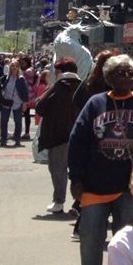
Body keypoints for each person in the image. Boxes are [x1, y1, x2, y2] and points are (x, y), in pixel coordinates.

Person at [68, 54, 133, 265]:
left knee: (127, 248)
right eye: (121, 73)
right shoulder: (96, 103)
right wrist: (76, 178)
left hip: (131, 189)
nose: (126, 77)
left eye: (130, 73)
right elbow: (78, 141)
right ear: (110, 77)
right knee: (90, 243)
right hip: (94, 188)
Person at [35, 57, 82, 214]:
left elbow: (40, 107)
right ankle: (79, 202)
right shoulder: (81, 87)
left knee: (58, 169)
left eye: (56, 71)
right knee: (78, 170)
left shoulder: (58, 87)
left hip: (58, 135)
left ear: (61, 71)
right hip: (78, 135)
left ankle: (59, 201)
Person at [0, 59, 29, 146]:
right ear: (10, 68)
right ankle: (3, 139)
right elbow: (0, 87)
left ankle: (17, 139)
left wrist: (24, 103)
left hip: (17, 103)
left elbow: (25, 92)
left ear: (18, 68)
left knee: (18, 122)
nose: (14, 68)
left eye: (16, 66)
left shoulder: (21, 79)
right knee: (4, 122)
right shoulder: (5, 78)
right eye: (12, 66)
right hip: (6, 102)